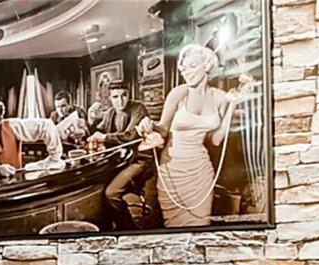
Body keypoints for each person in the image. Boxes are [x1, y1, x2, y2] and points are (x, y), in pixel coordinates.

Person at [146, 44, 253, 227]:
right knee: (173, 230)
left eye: (193, 66)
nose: (187, 72)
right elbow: (162, 128)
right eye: (184, 68)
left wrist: (232, 106)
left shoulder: (219, 97)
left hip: (200, 172)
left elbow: (217, 139)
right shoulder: (179, 93)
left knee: (201, 227)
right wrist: (149, 126)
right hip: (173, 170)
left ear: (207, 65)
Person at [88, 81, 155, 230]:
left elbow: (131, 135)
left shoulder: (138, 108)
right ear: (110, 98)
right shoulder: (111, 112)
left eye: (124, 95)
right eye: (116, 96)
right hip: (121, 161)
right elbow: (99, 131)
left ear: (129, 95)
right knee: (98, 187)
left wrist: (104, 138)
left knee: (111, 193)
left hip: (140, 161)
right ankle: (108, 226)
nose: (120, 100)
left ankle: (129, 230)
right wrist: (91, 120)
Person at [0, 98, 63, 179]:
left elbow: (46, 125)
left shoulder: (12, 126)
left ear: (0, 120)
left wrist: (55, 156)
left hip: (16, 186)